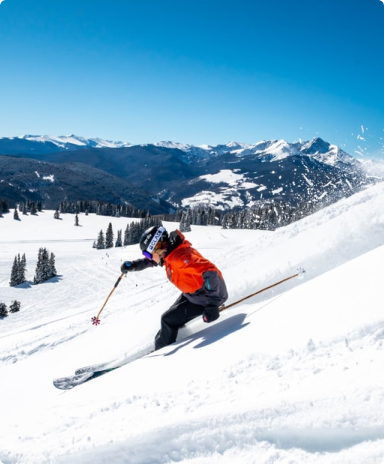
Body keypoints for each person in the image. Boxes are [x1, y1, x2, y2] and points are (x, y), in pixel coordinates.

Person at [120, 225, 228, 350]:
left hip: (205, 298)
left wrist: (212, 304)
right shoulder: (169, 252)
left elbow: (210, 272)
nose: (148, 257)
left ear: (157, 247)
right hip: (193, 294)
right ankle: (165, 343)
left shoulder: (180, 258)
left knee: (167, 320)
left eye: (148, 254)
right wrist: (133, 265)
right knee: (168, 320)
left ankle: (162, 351)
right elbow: (151, 261)